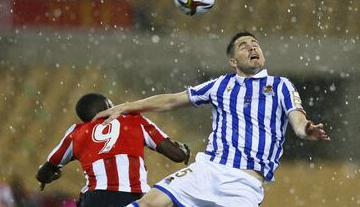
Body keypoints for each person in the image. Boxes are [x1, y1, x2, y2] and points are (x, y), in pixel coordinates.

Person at [94, 31, 331, 207]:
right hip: (207, 169)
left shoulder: (280, 86)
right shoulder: (220, 85)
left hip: (243, 183)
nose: (252, 48)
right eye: (243, 46)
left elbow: (298, 121)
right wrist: (127, 106)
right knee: (149, 202)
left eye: (255, 44)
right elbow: (172, 101)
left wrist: (306, 130)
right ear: (233, 61)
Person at [36, 93, 190, 207]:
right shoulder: (134, 119)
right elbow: (177, 155)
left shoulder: (76, 132)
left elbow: (46, 169)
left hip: (94, 199)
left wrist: (46, 177)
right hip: (135, 198)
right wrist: (183, 149)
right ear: (108, 107)